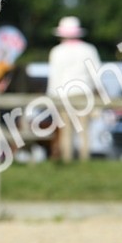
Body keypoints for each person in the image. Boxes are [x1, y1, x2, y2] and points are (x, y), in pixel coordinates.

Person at [46, 16, 102, 159]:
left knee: (66, 131)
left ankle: (67, 159)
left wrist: (51, 97)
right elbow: (97, 74)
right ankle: (84, 159)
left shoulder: (57, 52)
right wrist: (100, 92)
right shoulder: (89, 50)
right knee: (84, 130)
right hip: (84, 94)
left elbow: (54, 77)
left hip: (63, 95)